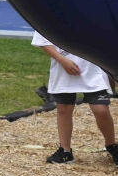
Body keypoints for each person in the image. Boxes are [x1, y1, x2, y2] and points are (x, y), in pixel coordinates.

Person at [32, 32, 118, 166]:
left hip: (93, 68)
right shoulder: (51, 13)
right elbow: (42, 39)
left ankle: (112, 145)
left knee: (101, 109)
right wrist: (62, 60)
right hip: (63, 68)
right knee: (63, 109)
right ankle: (65, 151)